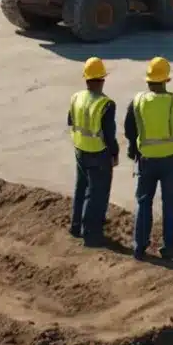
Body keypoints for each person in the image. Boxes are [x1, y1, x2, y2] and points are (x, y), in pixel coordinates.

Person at [125, 56, 173, 260]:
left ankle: (139, 246)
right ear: (165, 80)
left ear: (148, 81)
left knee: (144, 202)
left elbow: (129, 129)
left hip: (146, 160)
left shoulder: (137, 102)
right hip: (170, 159)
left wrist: (133, 148)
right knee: (169, 203)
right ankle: (169, 246)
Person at [67, 57, 118, 248]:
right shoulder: (106, 104)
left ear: (86, 79)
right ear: (102, 80)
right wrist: (114, 153)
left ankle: (76, 225)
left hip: (80, 149)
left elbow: (71, 121)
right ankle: (91, 234)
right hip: (98, 153)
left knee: (81, 188)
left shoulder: (76, 97)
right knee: (97, 194)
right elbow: (108, 135)